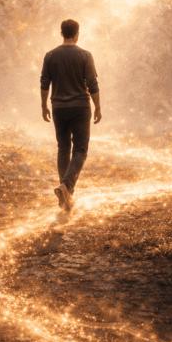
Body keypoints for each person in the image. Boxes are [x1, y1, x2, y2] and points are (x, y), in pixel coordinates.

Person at [40, 19, 102, 212]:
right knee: (80, 150)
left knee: (63, 148)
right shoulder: (85, 55)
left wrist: (44, 105)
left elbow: (44, 82)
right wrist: (98, 107)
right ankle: (66, 187)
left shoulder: (50, 56)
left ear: (61, 34)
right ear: (77, 34)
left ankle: (64, 194)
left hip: (58, 107)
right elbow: (92, 83)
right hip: (80, 107)